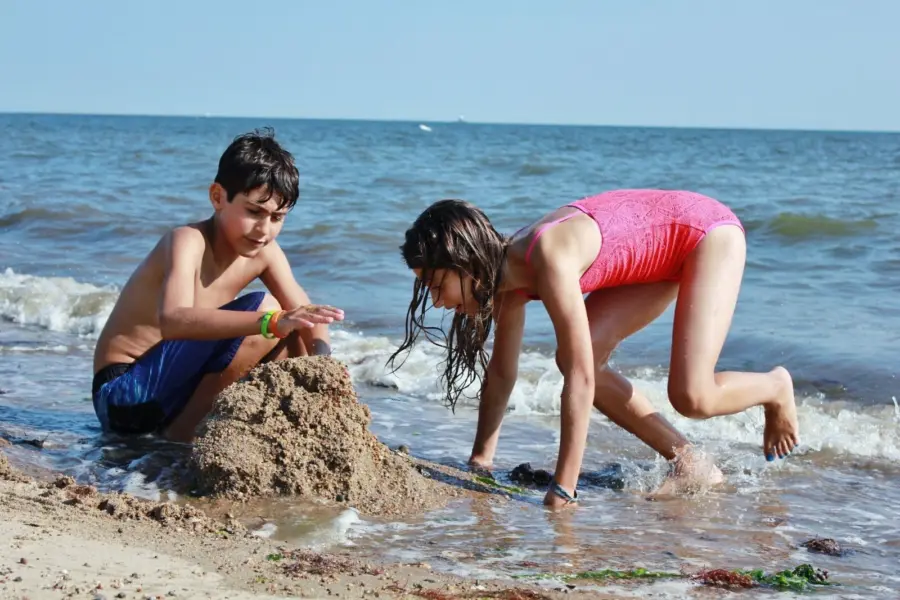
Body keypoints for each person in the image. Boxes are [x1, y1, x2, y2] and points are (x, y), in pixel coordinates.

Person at [389, 189, 799, 508]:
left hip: (704, 234)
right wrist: (480, 460)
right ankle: (691, 464)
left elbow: (581, 378)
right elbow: (502, 373)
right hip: (655, 258)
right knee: (572, 359)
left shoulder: (545, 256)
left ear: (465, 262)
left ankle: (775, 386)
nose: (439, 302)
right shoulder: (506, 284)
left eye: (436, 286)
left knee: (692, 396)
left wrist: (565, 487)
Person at [92, 129, 344, 443]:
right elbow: (173, 320)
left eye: (277, 218)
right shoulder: (187, 241)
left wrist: (322, 362)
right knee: (269, 312)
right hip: (124, 396)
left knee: (294, 331)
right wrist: (273, 321)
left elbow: (307, 317)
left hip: (176, 390)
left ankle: (283, 435)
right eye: (254, 212)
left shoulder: (266, 253)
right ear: (217, 197)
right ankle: (182, 438)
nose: (264, 230)